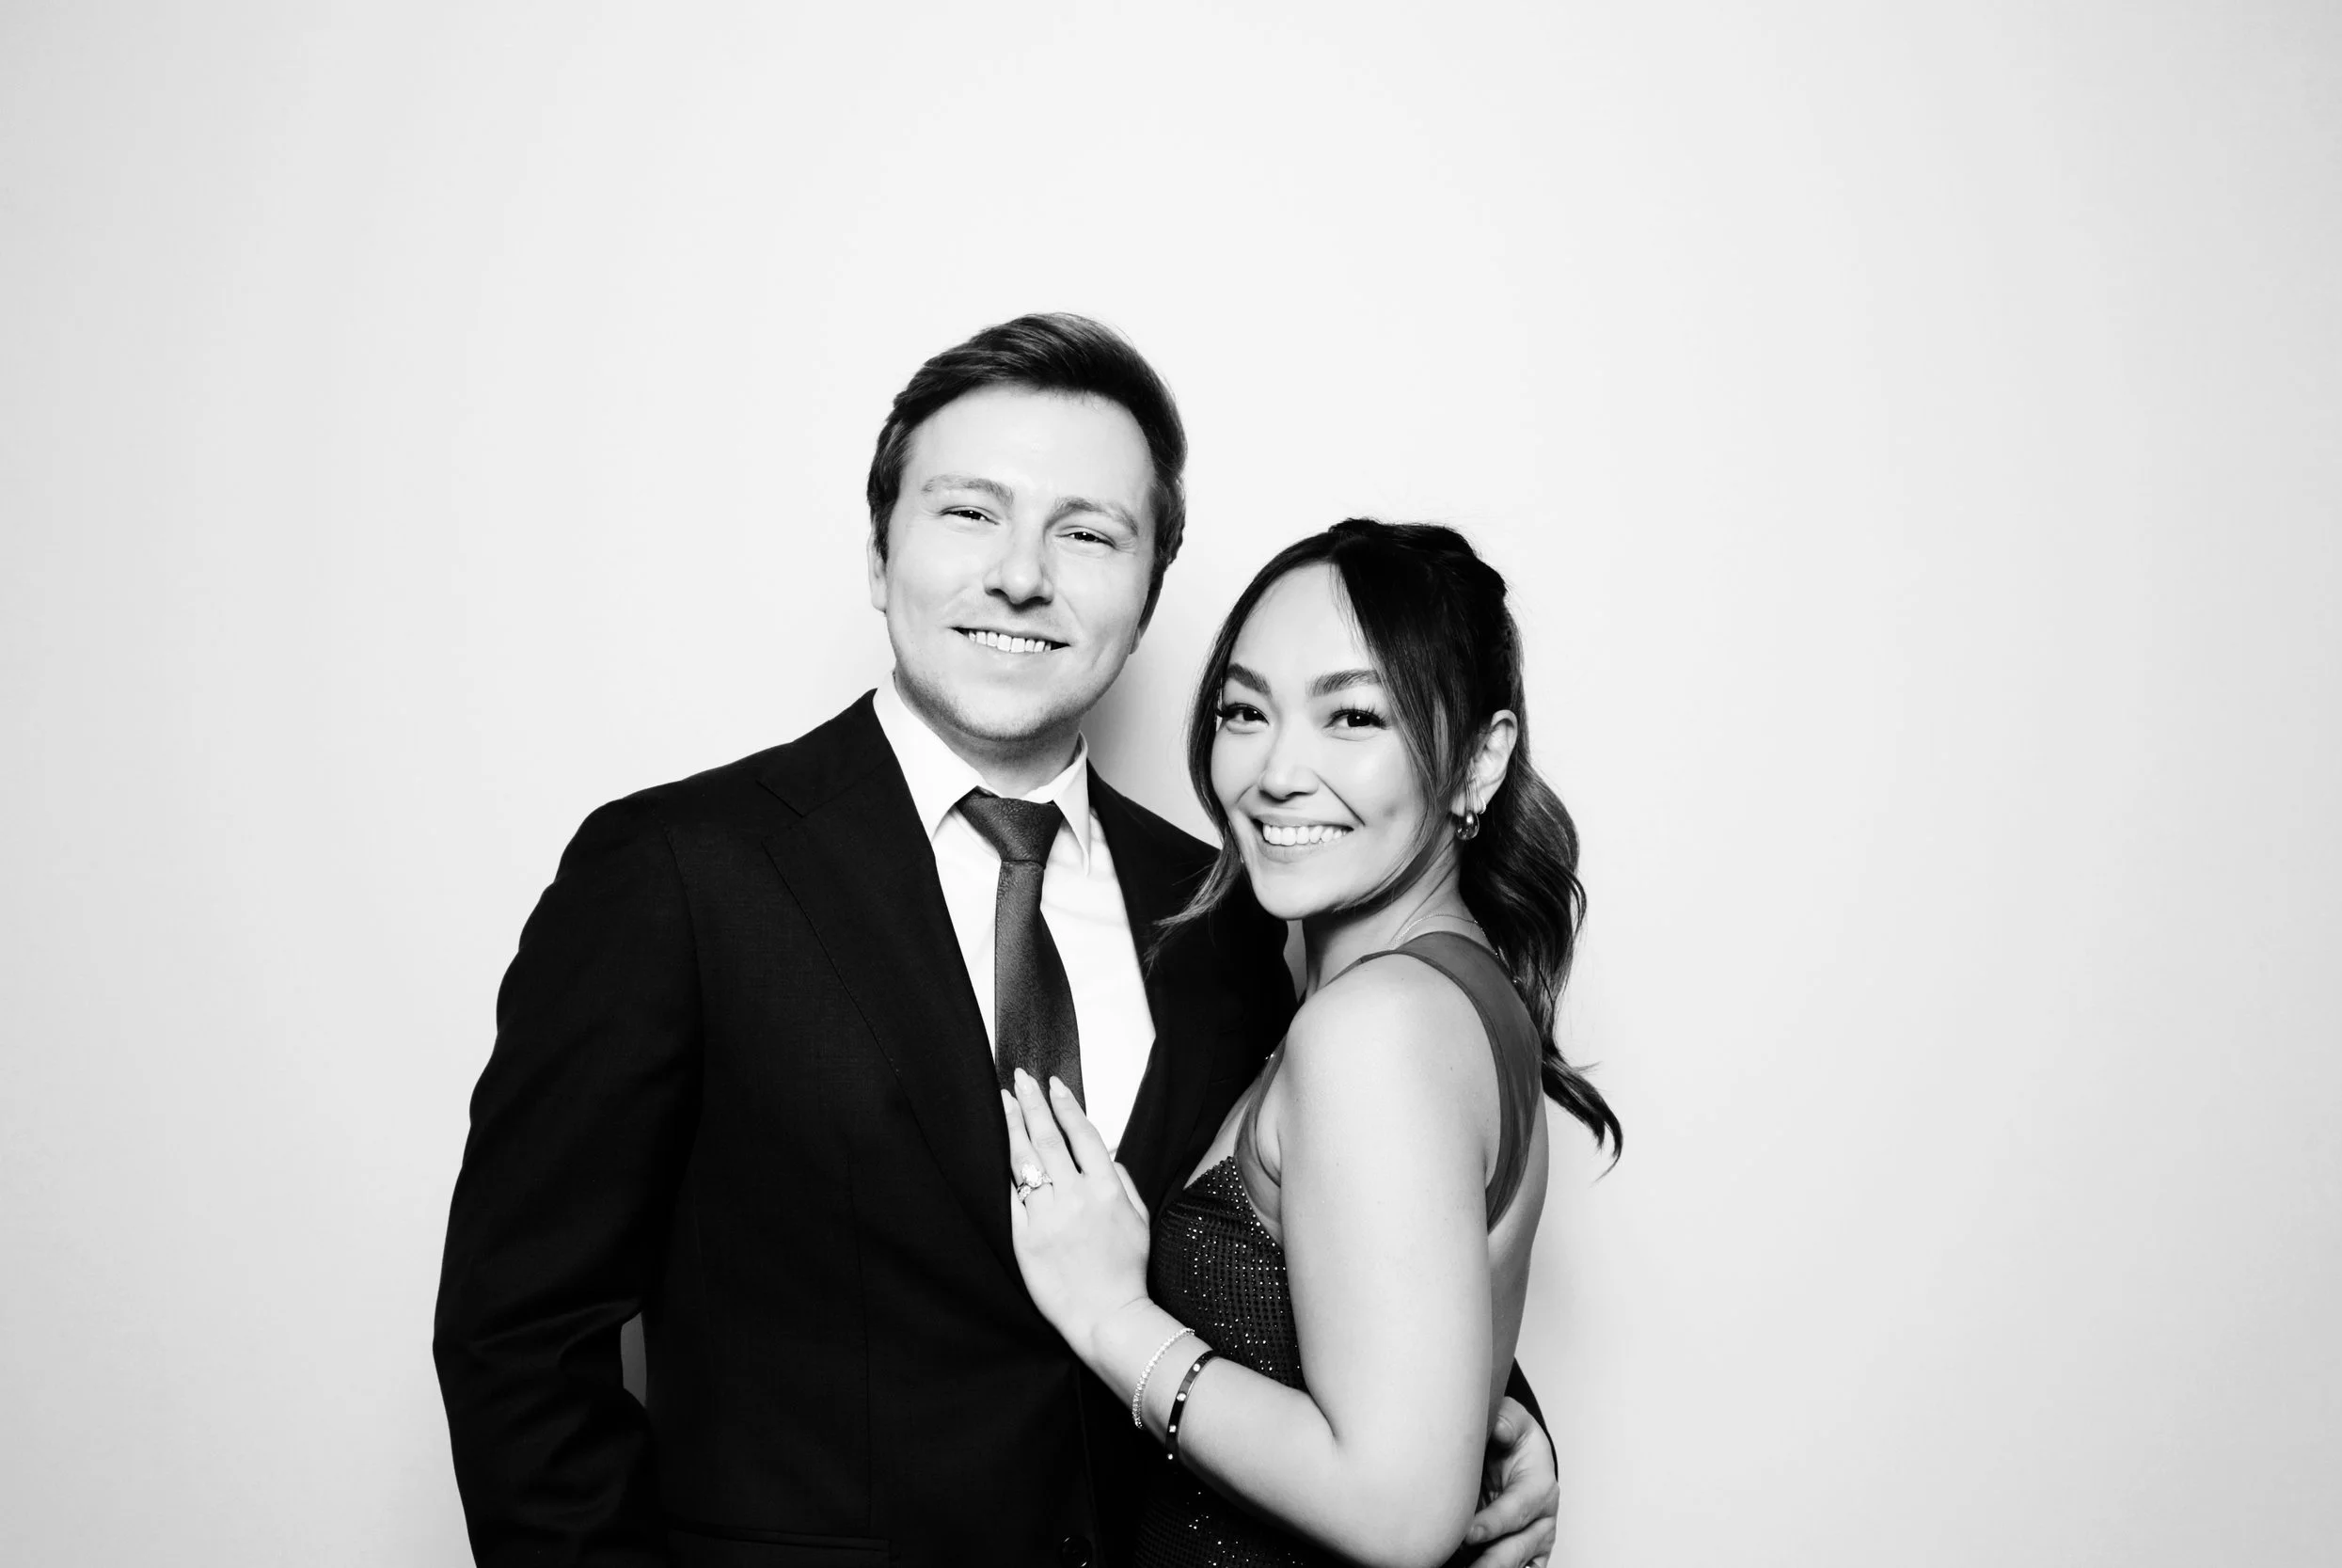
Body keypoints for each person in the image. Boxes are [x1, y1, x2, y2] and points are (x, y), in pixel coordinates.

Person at [433, 316, 1562, 1567]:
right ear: (879, 552)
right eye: (970, 514)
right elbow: (519, 1339)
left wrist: (1484, 1425)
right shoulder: (676, 874)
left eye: (1087, 531)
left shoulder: (1230, 906)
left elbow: (1336, 1247)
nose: (1022, 574)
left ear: (1149, 591)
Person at [1001, 520, 1622, 1567]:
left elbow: (1396, 1511)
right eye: (1246, 710)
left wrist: (1112, 1316)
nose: (1277, 770)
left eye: (1352, 715)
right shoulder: (1454, 994)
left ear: (1480, 758)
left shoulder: (1373, 1029)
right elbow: (1400, 1328)